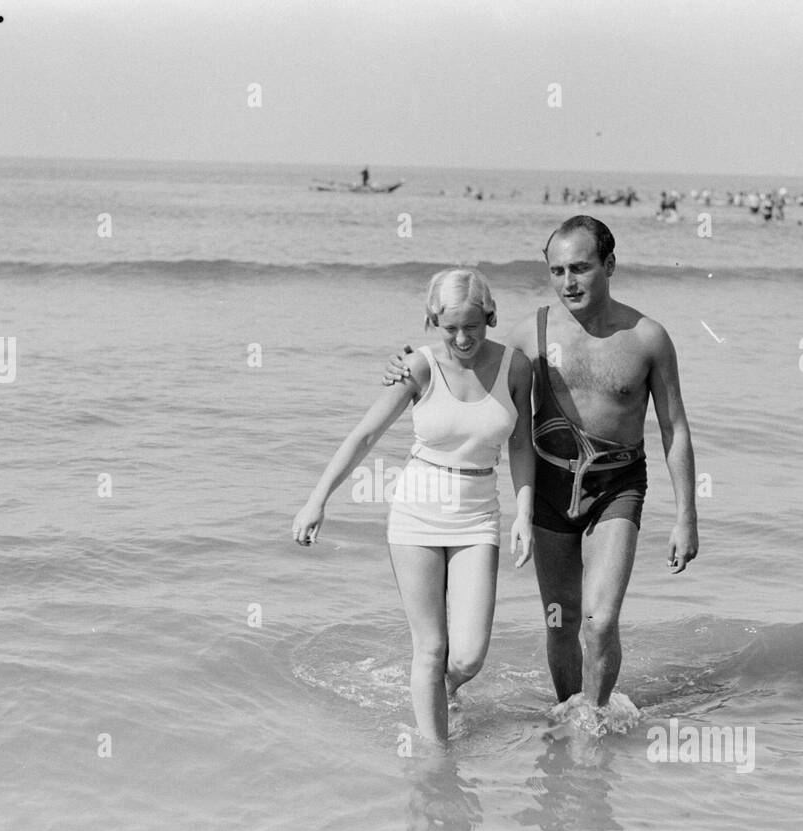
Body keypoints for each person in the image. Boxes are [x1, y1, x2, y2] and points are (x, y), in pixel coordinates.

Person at [383, 218, 698, 729]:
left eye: (581, 268)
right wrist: (408, 365)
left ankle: (589, 725)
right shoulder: (533, 334)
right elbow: (465, 356)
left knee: (599, 622)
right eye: (557, 270)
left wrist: (687, 515)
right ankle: (566, 713)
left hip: (617, 487)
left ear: (609, 265)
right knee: (561, 623)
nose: (569, 281)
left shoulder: (648, 338)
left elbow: (675, 428)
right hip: (549, 487)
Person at [293, 269, 536, 743]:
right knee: (431, 647)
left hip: (478, 515)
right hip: (417, 513)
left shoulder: (517, 368)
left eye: (473, 326)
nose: (463, 338)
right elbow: (364, 435)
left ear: (490, 316)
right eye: (450, 328)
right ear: (433, 321)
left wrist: (524, 514)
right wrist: (316, 499)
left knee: (468, 657)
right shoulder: (418, 368)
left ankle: (440, 693)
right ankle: (435, 756)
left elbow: (522, 445)